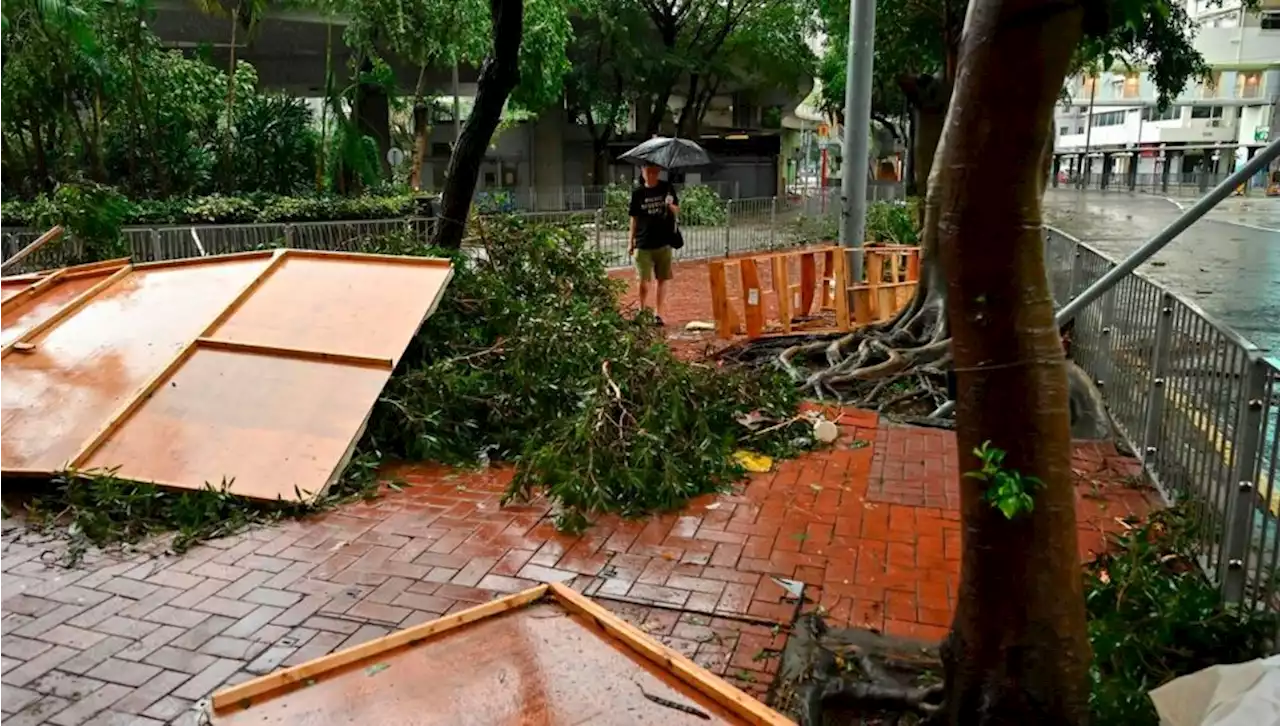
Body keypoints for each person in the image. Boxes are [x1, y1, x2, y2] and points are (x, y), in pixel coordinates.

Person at [628, 163, 679, 325]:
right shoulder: (638, 193)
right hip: (643, 242)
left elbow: (677, 210)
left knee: (662, 279)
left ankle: (659, 313)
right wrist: (631, 240)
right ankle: (642, 310)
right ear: (642, 172)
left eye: (654, 171)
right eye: (648, 171)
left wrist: (670, 205)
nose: (651, 174)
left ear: (658, 172)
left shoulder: (667, 188)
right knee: (643, 280)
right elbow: (634, 218)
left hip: (663, 241)